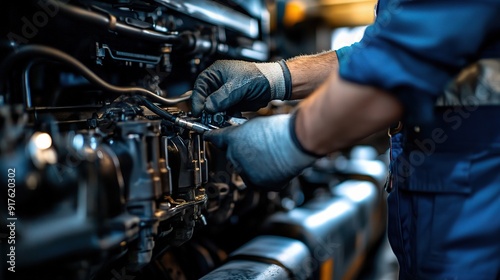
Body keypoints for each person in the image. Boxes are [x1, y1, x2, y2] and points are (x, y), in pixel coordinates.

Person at [191, 0, 500, 279]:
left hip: (478, 207)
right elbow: (382, 51)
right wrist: (276, 78)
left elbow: (409, 54)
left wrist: (290, 141)